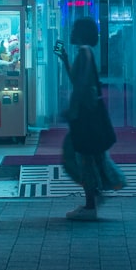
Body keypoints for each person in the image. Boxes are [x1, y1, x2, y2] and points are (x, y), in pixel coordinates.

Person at [54, 17, 111, 222]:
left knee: (83, 157)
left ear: (81, 33)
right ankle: (93, 197)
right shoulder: (85, 52)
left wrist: (71, 109)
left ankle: (90, 205)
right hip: (87, 112)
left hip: (85, 114)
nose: (70, 32)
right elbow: (79, 81)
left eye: (74, 29)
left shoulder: (84, 53)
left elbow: (81, 86)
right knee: (87, 156)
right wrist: (66, 60)